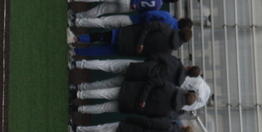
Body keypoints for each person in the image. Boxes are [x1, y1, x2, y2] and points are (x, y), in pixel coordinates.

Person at [72, 77, 196, 118]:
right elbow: (150, 115)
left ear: (185, 93)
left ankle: (77, 94)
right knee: (104, 107)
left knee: (104, 93)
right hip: (133, 106)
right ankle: (78, 109)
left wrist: (142, 98)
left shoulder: (171, 87)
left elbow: (152, 82)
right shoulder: (169, 112)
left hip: (132, 91)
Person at [71, 51, 200, 86]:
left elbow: (156, 55)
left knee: (107, 65)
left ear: (189, 66)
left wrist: (148, 65)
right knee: (107, 84)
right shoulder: (176, 84)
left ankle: (77, 64)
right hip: (138, 82)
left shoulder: (175, 63)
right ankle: (79, 89)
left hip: (139, 68)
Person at [70, 22, 192, 58]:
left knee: (101, 37)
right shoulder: (168, 52)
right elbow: (151, 57)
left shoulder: (166, 28)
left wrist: (140, 42)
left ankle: (76, 39)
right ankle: (75, 52)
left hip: (127, 34)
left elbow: (148, 26)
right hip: (128, 49)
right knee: (100, 51)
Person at [70, 8, 189, 30]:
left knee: (104, 22)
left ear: (181, 19)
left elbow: (149, 14)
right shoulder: (171, 32)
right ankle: (77, 22)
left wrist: (144, 24)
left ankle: (76, 21)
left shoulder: (168, 16)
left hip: (134, 21)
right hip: (133, 35)